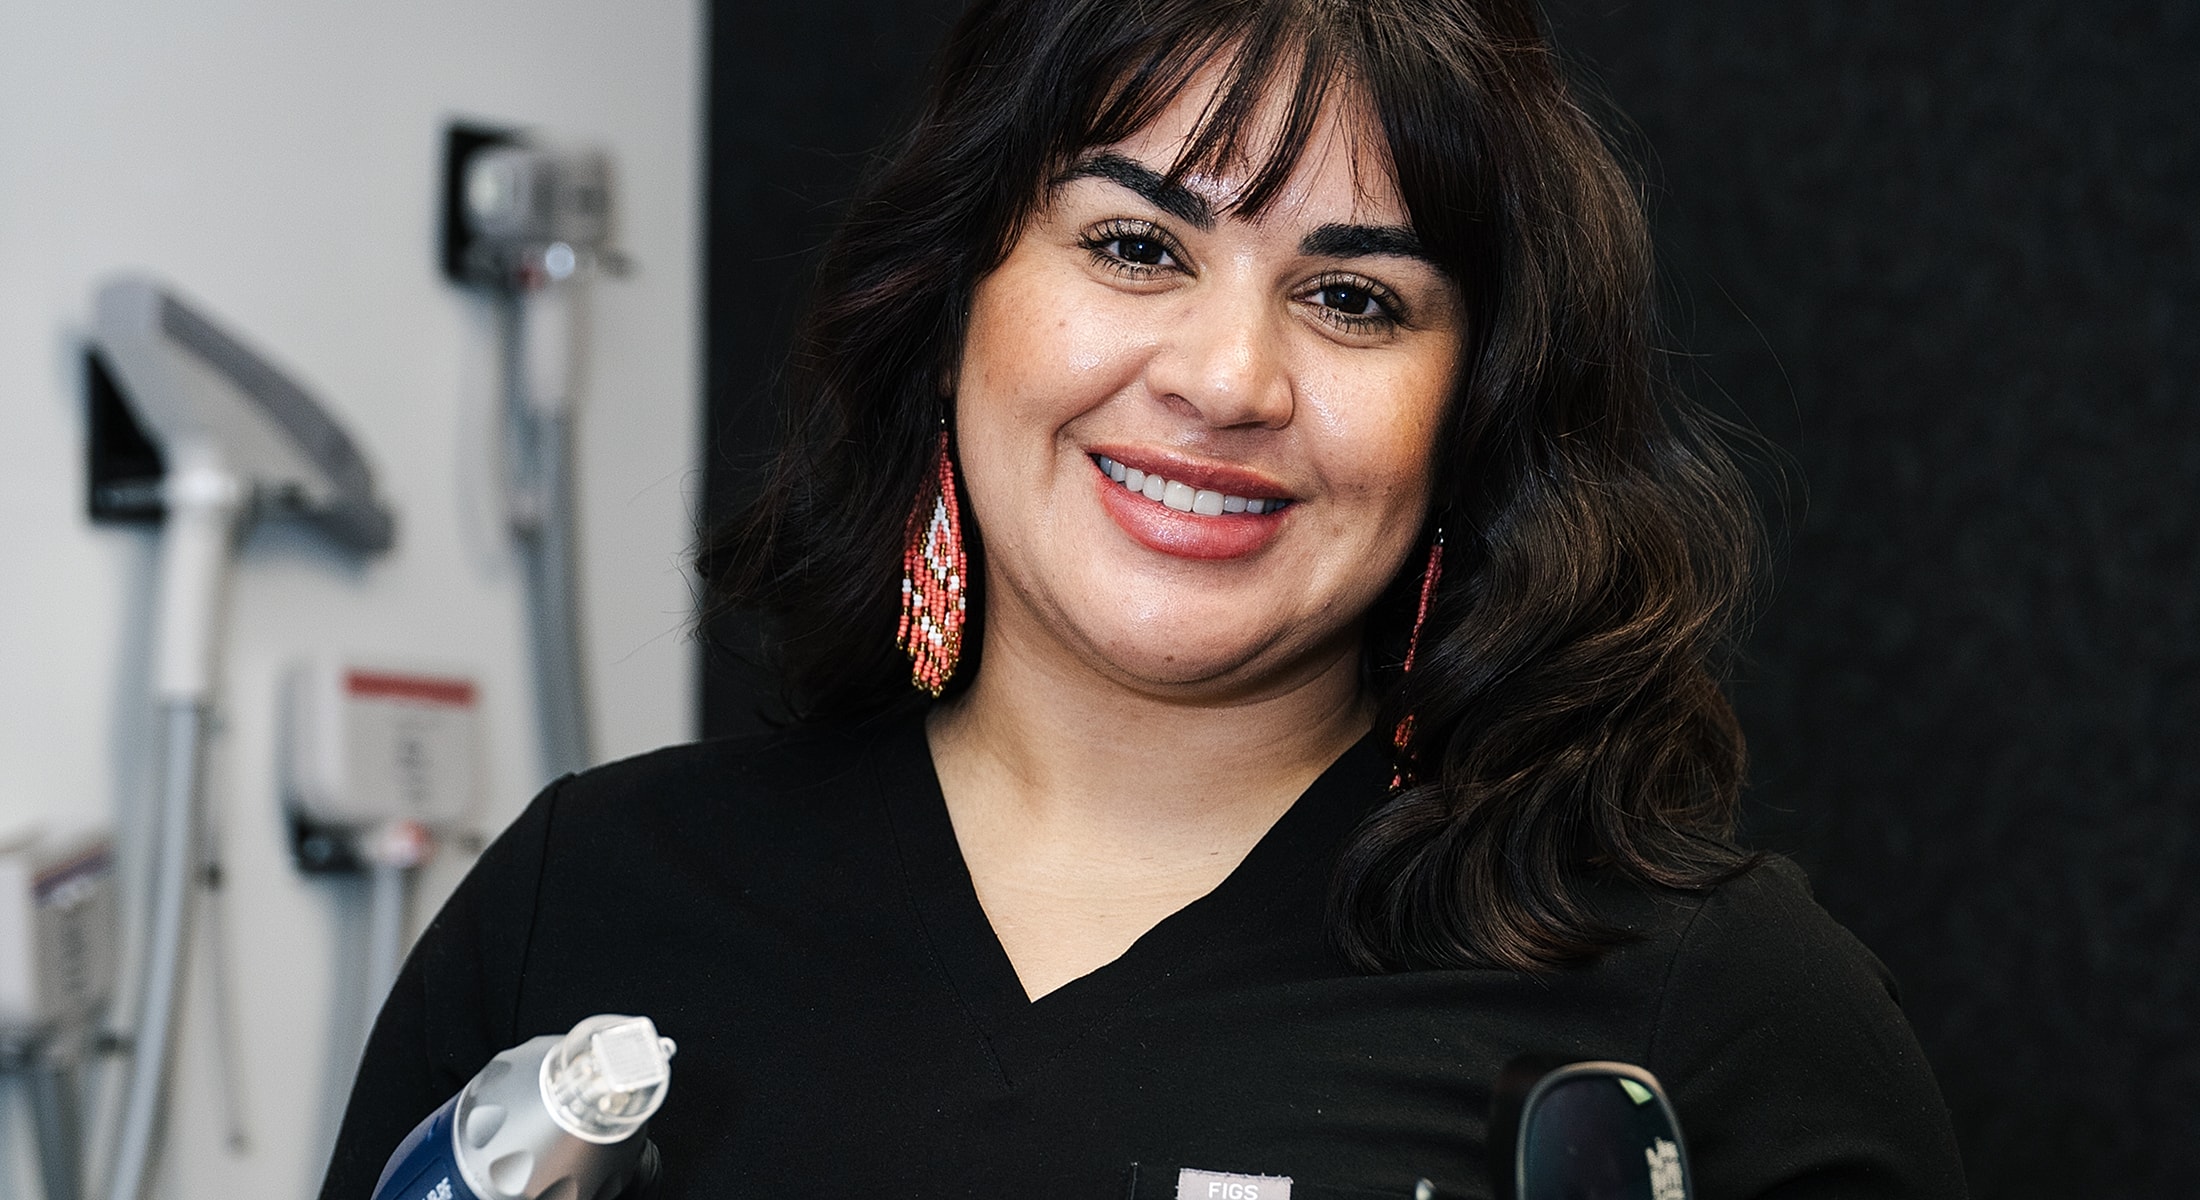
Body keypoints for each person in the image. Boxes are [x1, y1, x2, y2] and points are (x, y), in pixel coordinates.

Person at [321, 0, 1968, 1196]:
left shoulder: (1703, 1004)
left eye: (1350, 296)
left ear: (1474, 411)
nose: (1229, 377)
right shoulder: (590, 903)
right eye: (1134, 246)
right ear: (956, 296)